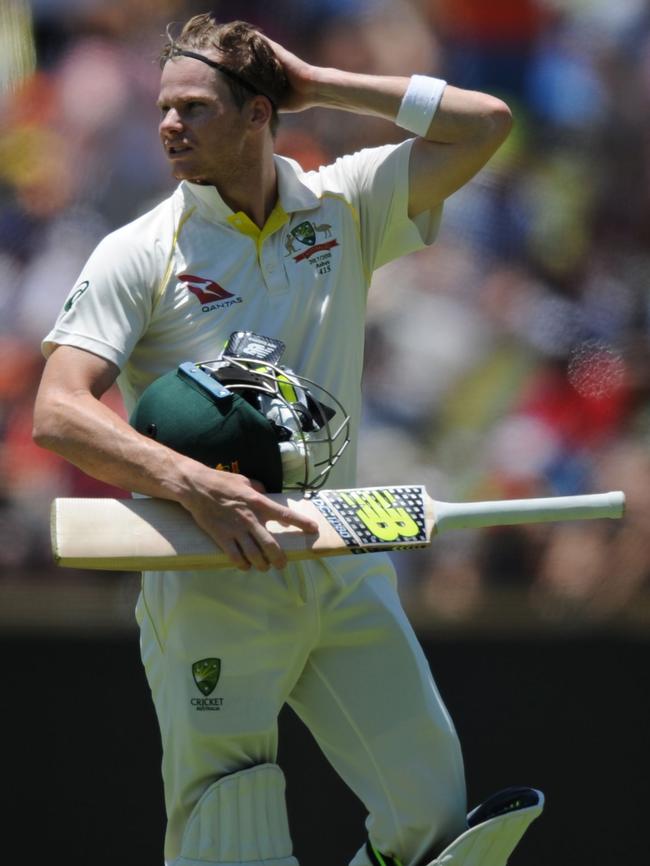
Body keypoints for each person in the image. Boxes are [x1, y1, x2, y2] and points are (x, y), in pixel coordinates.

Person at [33, 13, 543, 866]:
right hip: (209, 572)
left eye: (194, 108)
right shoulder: (141, 252)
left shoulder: (344, 203)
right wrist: (193, 484)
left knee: (434, 818)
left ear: (261, 113)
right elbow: (58, 410)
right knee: (228, 840)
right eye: (164, 108)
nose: (167, 125)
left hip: (341, 553)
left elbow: (486, 123)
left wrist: (321, 82)